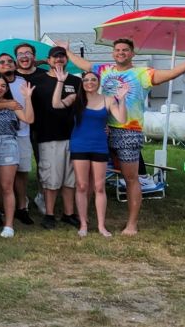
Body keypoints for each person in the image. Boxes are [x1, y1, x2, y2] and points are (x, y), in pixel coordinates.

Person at [60, 37, 185, 235]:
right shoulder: (104, 70)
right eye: (117, 50)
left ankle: (132, 224)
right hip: (102, 129)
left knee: (130, 178)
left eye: (125, 50)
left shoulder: (142, 73)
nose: (120, 53)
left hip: (128, 131)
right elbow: (85, 65)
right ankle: (86, 221)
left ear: (132, 53)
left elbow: (170, 74)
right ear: (113, 53)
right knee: (90, 178)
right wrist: (67, 51)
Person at [53, 66, 129, 237]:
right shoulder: (76, 98)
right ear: (82, 83)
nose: (89, 82)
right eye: (86, 80)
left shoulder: (108, 100)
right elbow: (56, 104)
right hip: (79, 145)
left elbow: (122, 119)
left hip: (99, 146)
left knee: (99, 186)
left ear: (98, 82)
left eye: (93, 80)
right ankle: (83, 224)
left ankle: (101, 226)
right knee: (81, 185)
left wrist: (122, 99)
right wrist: (60, 82)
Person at [27, 46, 83, 229]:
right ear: (49, 60)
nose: (59, 60)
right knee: (51, 178)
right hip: (47, 136)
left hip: (72, 135)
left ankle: (68, 213)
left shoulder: (76, 81)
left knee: (70, 179)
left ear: (66, 60)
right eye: (55, 57)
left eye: (62, 57)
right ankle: (49, 214)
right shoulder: (37, 80)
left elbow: (82, 107)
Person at [0, 76, 35, 238]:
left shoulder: (13, 104)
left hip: (7, 145)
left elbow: (29, 119)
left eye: (3, 86)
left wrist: (27, 98)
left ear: (7, 89)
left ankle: (9, 225)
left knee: (7, 187)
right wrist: (0, 105)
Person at [11, 43, 42, 225]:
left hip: (41, 127)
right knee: (18, 168)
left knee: (43, 166)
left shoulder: (44, 74)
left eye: (28, 53)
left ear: (34, 56)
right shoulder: (11, 76)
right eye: (20, 54)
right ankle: (22, 201)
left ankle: (42, 196)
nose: (24, 56)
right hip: (19, 129)